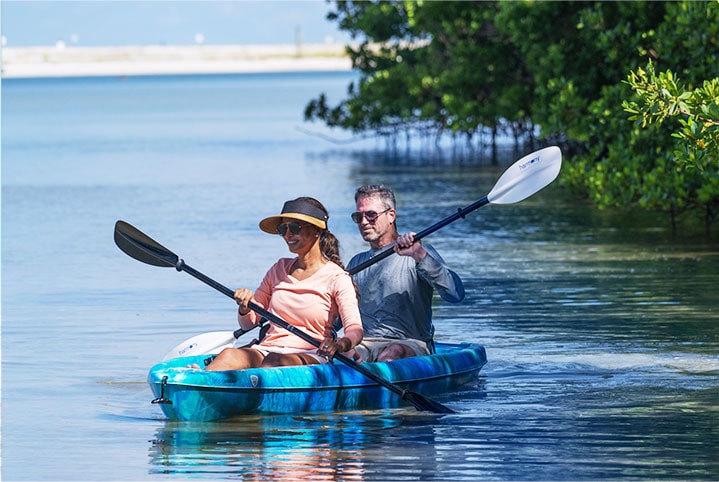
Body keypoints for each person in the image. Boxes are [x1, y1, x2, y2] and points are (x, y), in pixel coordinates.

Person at [200, 196, 363, 371]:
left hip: (311, 354)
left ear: (317, 230)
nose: (287, 235)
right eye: (282, 229)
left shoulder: (337, 277)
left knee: (274, 363)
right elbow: (249, 323)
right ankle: (198, 388)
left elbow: (355, 329)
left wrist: (341, 344)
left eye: (294, 228)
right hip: (267, 349)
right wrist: (245, 307)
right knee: (229, 355)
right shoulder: (278, 268)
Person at [347, 184, 464, 363]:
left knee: (393, 352)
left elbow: (455, 294)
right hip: (365, 345)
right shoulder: (356, 263)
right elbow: (337, 317)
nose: (363, 222)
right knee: (338, 354)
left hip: (410, 344)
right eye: (358, 216)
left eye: (371, 215)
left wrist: (419, 255)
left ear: (391, 215)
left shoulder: (419, 251)